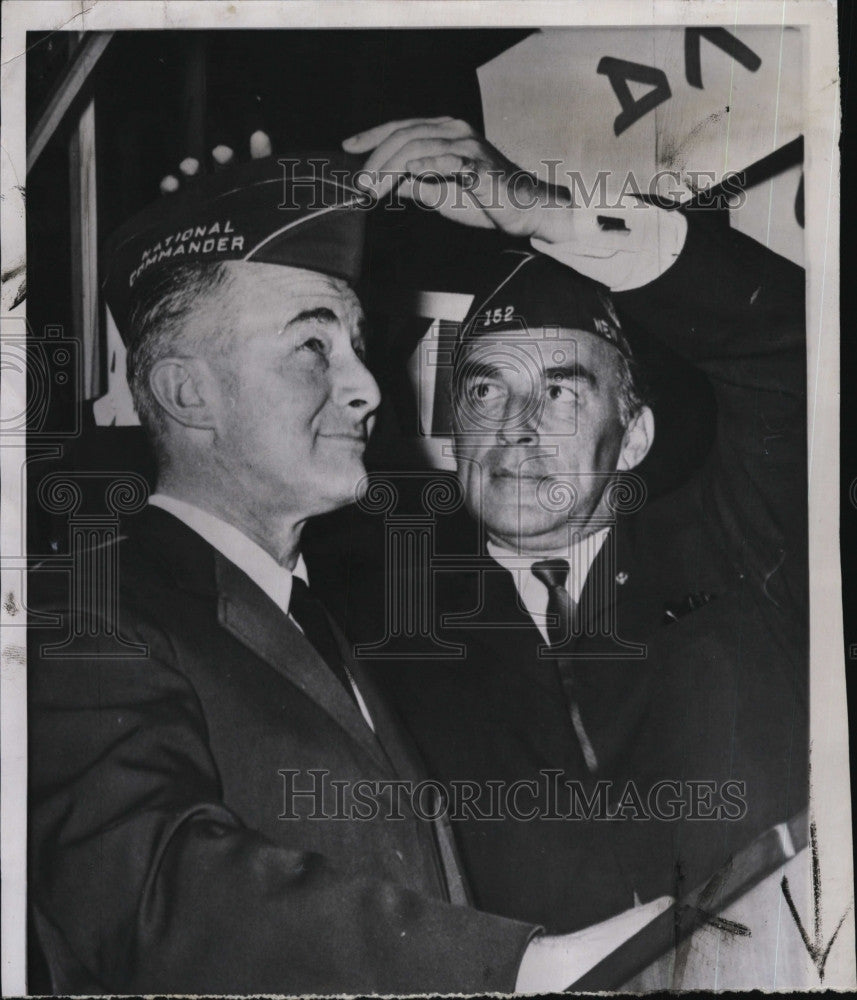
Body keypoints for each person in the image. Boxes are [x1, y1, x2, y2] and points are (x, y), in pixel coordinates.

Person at [26, 154, 670, 995]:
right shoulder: (77, 607)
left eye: (357, 347)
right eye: (310, 346)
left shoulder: (316, 621)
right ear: (185, 392)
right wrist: (515, 965)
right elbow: (145, 890)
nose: (366, 386)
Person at [339, 118, 809, 953]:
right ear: (452, 440)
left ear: (631, 439)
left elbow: (798, 344)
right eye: (484, 394)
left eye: (559, 395)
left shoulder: (734, 542)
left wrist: (549, 214)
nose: (515, 430)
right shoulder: (380, 640)